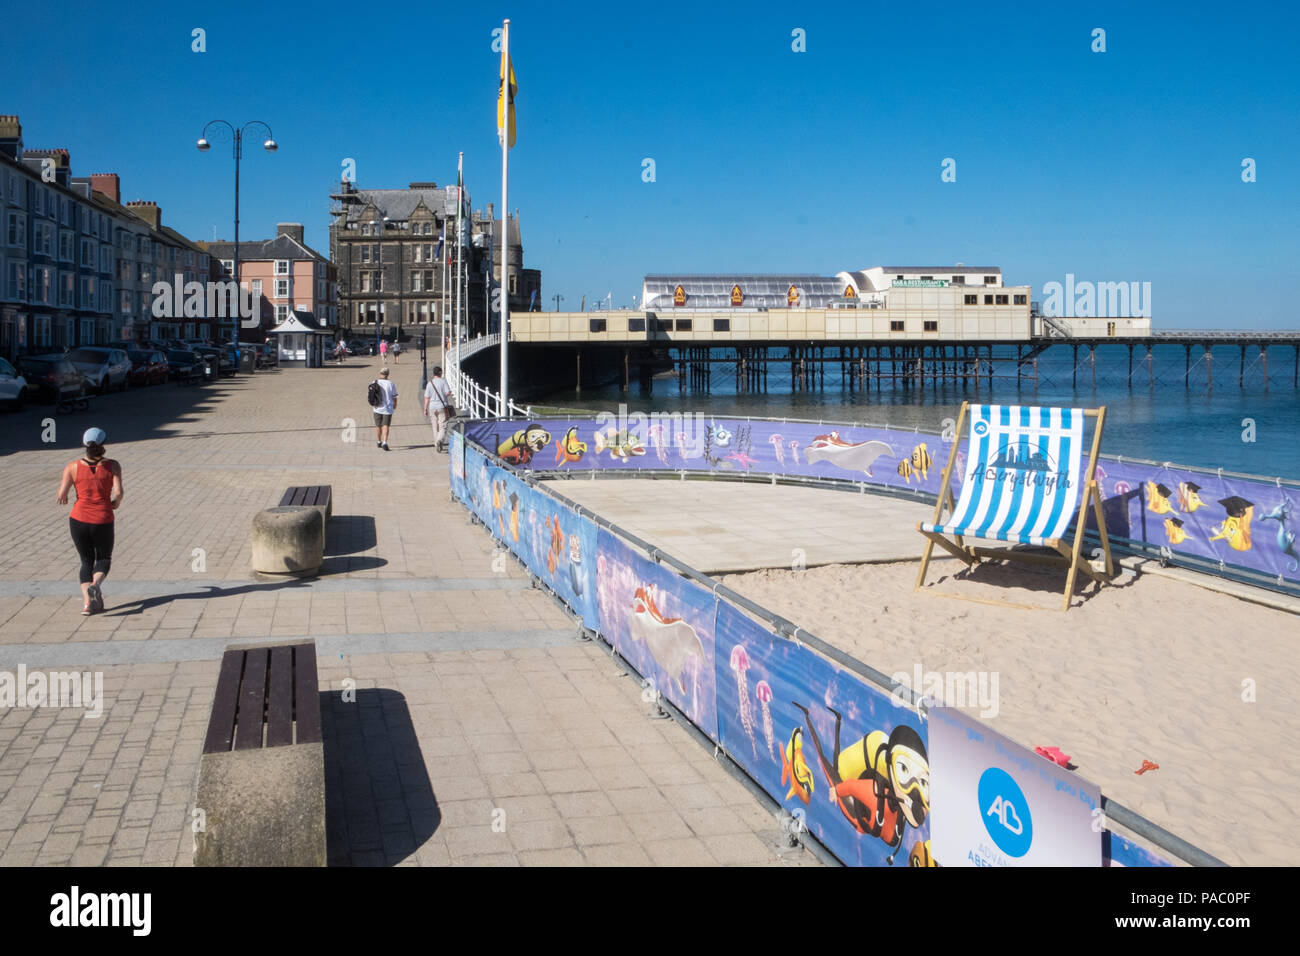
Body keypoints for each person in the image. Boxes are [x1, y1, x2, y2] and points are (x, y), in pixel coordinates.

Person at [56, 427, 123, 615]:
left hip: (78, 519)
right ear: (104, 444)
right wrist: (115, 502)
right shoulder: (113, 465)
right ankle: (96, 585)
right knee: (103, 558)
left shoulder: (72, 467)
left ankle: (88, 604)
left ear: (84, 444)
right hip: (103, 518)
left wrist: (68, 495)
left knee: (86, 561)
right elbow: (118, 492)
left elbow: (61, 494)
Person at [423, 365, 456, 452]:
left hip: (432, 407)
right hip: (442, 406)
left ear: (434, 373)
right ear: (440, 373)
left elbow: (427, 397)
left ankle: (436, 442)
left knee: (435, 426)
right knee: (443, 425)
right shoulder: (443, 381)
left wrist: (425, 409)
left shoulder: (430, 383)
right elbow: (448, 392)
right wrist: (445, 393)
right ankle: (440, 440)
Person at [370, 366, 398, 451]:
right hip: (387, 408)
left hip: (377, 407)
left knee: (378, 425)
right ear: (388, 374)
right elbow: (394, 396)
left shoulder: (374, 382)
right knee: (385, 425)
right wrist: (395, 404)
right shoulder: (390, 383)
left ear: (380, 373)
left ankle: (379, 441)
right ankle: (385, 442)